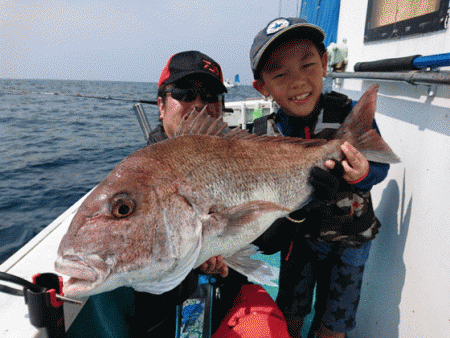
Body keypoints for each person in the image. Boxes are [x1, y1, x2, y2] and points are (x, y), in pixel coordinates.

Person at [248, 17, 390, 338]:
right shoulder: (263, 136)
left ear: (325, 64)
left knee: (334, 325)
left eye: (307, 64)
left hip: (349, 241)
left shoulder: (349, 115)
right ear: (262, 87)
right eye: (281, 73)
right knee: (290, 315)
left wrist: (363, 174)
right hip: (298, 242)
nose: (298, 81)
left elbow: (380, 166)